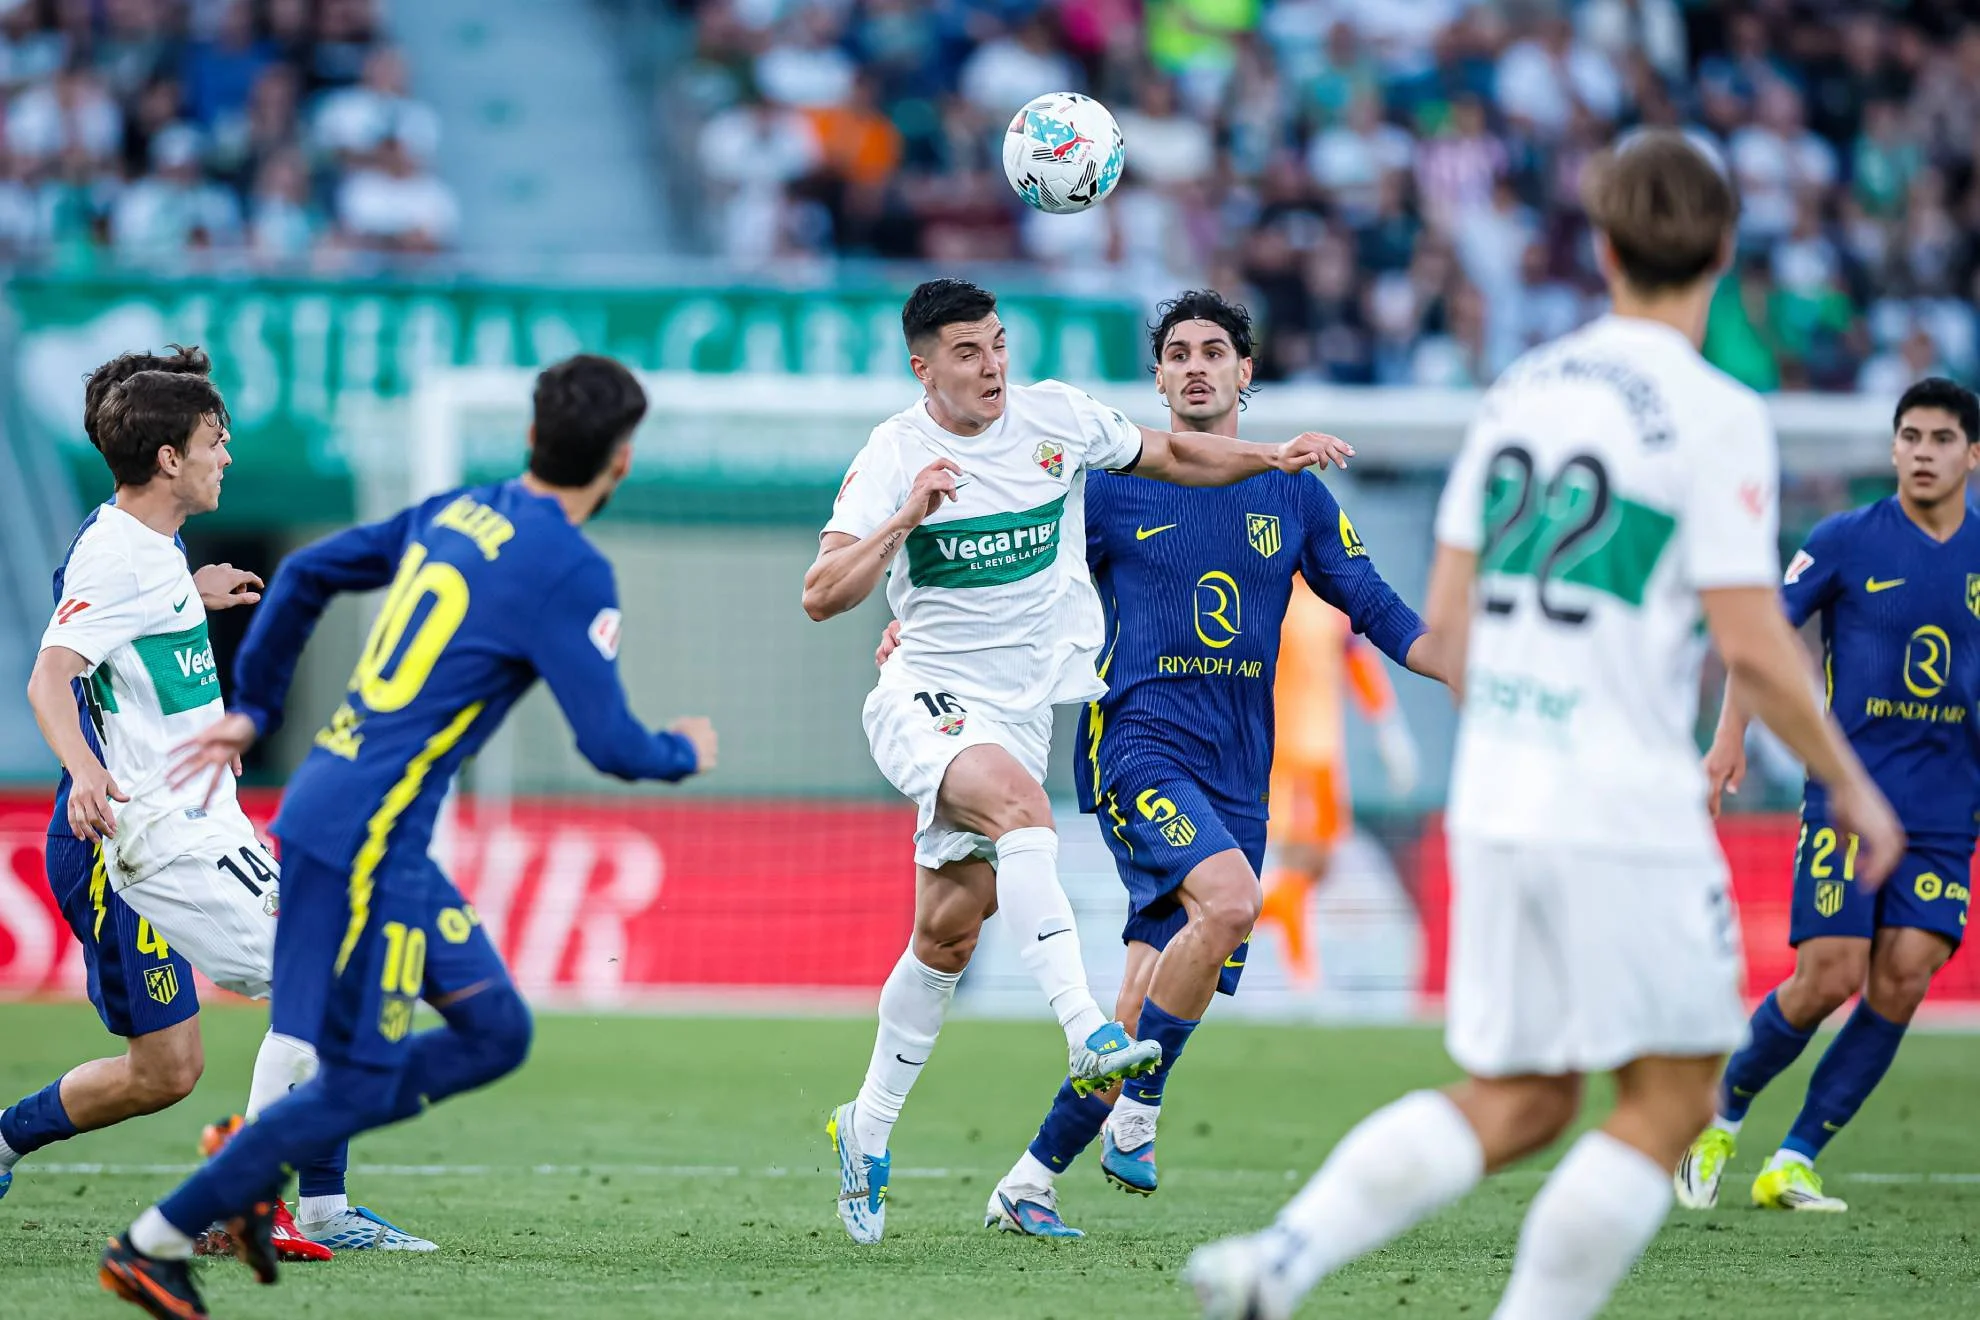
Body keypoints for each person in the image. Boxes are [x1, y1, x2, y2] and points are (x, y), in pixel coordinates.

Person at [1183, 130, 1904, 1320]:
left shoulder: (1523, 388)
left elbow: (1451, 622)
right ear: (1725, 249)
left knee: (1520, 1098)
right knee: (1672, 1099)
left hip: (1500, 794)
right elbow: (1752, 637)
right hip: (1621, 798)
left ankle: (1282, 1257)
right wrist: (1854, 786)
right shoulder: (1717, 412)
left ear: (1603, 249)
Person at [98, 355, 718, 1320]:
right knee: (373, 1065)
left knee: (483, 1030)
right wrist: (683, 749)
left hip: (334, 812)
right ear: (622, 461)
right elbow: (613, 746)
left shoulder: (464, 509)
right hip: (368, 845)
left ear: (531, 438)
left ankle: (254, 1165)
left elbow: (309, 572)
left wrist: (258, 706)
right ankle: (179, 1222)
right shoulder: (571, 570)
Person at [802, 277, 1353, 1246]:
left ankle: (867, 1126)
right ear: (924, 368)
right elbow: (820, 593)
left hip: (1019, 714)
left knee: (948, 934)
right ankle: (1086, 1028)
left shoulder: (1056, 420)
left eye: (998, 344)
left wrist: (1272, 454)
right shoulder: (894, 453)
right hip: (925, 694)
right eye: (967, 353)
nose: (992, 366)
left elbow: (1175, 454)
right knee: (1025, 811)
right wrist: (904, 520)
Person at [943, 289, 1454, 1236]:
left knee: (1141, 1001)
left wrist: (1452, 663)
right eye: (1177, 353)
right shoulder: (1111, 487)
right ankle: (1141, 1114)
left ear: (1244, 372)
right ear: (1159, 379)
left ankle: (1029, 1181)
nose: (1195, 366)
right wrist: (926, 637)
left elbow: (1369, 600)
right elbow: (1017, 580)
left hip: (1239, 765)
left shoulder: (1291, 492)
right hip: (1139, 743)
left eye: (1214, 351)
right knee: (1231, 902)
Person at [1, 352, 424, 1259]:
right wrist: (83, 771)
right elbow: (49, 675)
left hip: (201, 824)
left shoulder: (151, 546)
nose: (226, 456)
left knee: (170, 1070)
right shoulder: (116, 551)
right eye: (214, 441)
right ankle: (259, 1204)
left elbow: (122, 630)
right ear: (167, 457)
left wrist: (186, 599)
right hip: (147, 834)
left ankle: (302, 1206)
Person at [1678, 376, 1980, 1213]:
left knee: (1906, 974)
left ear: (1974, 455)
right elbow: (1761, 637)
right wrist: (1729, 737)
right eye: (1910, 437)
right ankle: (1717, 1116)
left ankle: (1795, 1158)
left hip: (1948, 808)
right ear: (1893, 448)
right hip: (1851, 797)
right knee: (1829, 974)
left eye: (1942, 440)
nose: (1923, 453)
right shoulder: (1846, 540)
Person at [1256, 591, 1421, 988]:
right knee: (1296, 863)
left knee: (1315, 868)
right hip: (1288, 756)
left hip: (1324, 757)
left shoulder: (1326, 597)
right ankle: (1300, 977)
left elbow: (1354, 657)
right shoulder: (1269, 591)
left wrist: (1388, 727)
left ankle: (1248, 928)